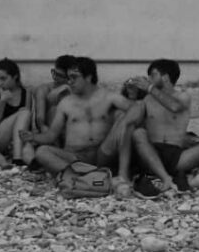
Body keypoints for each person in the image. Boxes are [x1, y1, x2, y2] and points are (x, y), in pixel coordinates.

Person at [20, 57, 135, 196]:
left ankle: (115, 176)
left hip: (101, 154)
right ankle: (91, 178)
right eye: (68, 78)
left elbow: (137, 110)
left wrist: (129, 104)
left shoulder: (109, 97)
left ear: (88, 77)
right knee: (42, 152)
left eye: (74, 77)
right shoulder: (66, 103)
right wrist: (33, 137)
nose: (70, 82)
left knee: (126, 119)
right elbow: (51, 135)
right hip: (74, 157)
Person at [125, 58, 199, 194]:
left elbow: (174, 106)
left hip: (178, 157)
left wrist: (150, 88)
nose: (149, 79)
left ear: (165, 77)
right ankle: (165, 178)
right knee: (138, 133)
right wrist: (132, 95)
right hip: (151, 154)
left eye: (153, 75)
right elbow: (132, 120)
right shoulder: (147, 99)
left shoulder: (183, 97)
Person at [0, 58, 33, 163]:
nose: (0, 83)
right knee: (24, 112)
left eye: (3, 79)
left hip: (17, 139)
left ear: (15, 77)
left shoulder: (26, 92)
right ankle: (17, 159)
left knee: (28, 151)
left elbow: (27, 123)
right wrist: (2, 101)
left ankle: (20, 165)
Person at [33, 55, 75, 132]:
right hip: (50, 131)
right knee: (55, 109)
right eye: (54, 72)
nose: (54, 77)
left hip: (73, 133)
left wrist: (67, 88)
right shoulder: (44, 89)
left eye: (60, 75)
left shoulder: (75, 89)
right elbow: (40, 119)